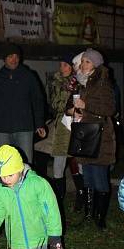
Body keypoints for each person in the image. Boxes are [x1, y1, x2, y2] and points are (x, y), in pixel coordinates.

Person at [66, 48, 116, 229]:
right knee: (87, 176)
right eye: (83, 61)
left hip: (100, 136)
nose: (83, 64)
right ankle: (88, 214)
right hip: (85, 134)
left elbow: (109, 109)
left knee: (99, 177)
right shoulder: (82, 82)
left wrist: (86, 105)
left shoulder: (103, 82)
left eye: (87, 61)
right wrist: (74, 110)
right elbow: (75, 106)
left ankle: (99, 218)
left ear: (95, 64)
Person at [0, 43, 46, 165]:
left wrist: (40, 123)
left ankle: (26, 184)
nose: (14, 59)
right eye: (10, 56)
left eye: (16, 56)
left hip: (24, 128)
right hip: (2, 129)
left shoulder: (28, 76)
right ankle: (5, 184)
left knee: (25, 164)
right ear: (4, 58)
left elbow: (38, 100)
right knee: (3, 163)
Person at [49, 54, 78, 203]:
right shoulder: (56, 83)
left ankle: (82, 196)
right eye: (61, 65)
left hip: (78, 123)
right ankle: (58, 198)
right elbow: (55, 105)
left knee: (78, 159)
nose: (62, 68)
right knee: (59, 160)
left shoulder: (80, 81)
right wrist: (67, 93)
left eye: (65, 65)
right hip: (62, 124)